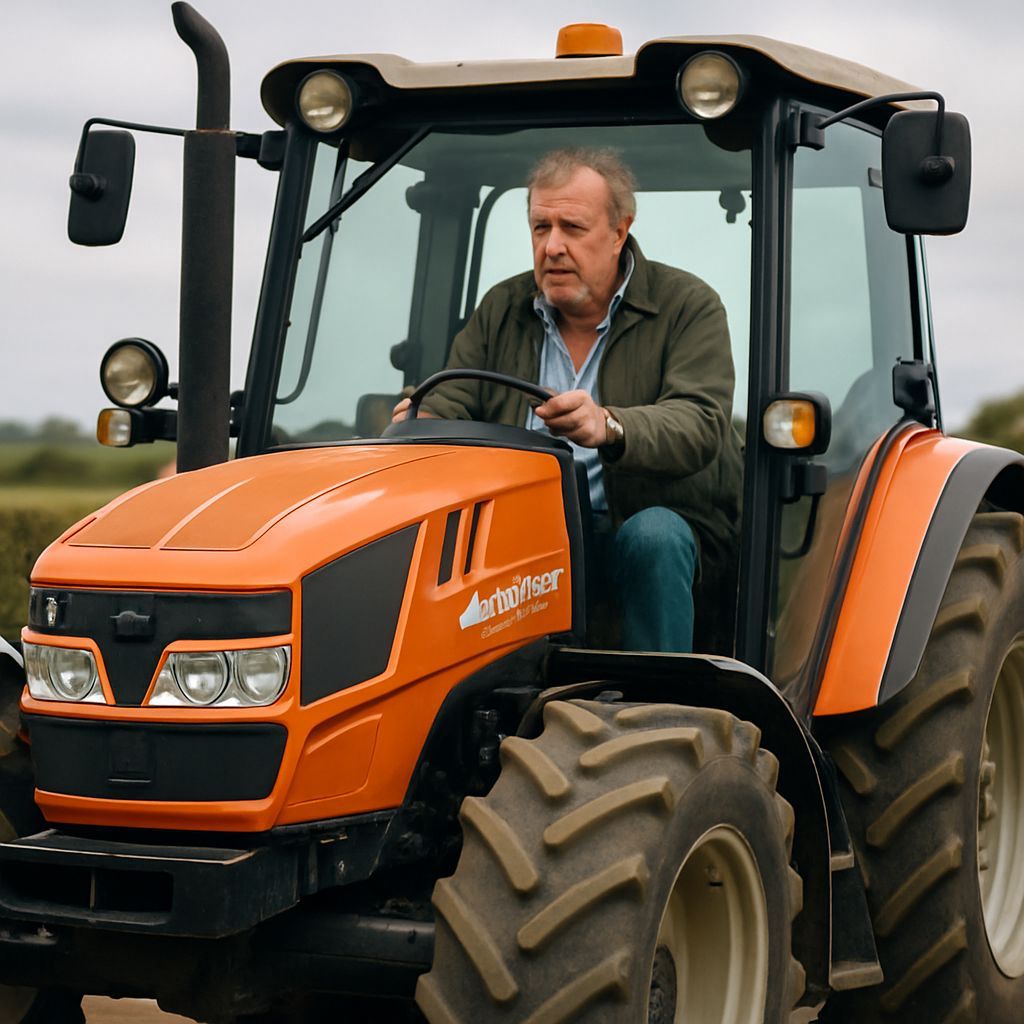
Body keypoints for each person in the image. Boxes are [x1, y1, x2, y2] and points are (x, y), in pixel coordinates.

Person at [393, 148, 742, 653]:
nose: (552, 246)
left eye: (572, 228)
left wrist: (610, 426)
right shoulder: (503, 309)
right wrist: (420, 416)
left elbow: (700, 421)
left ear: (619, 231)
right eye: (540, 228)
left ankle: (662, 710)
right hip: (538, 532)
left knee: (654, 537)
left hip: (647, 527)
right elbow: (452, 397)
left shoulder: (688, 306)